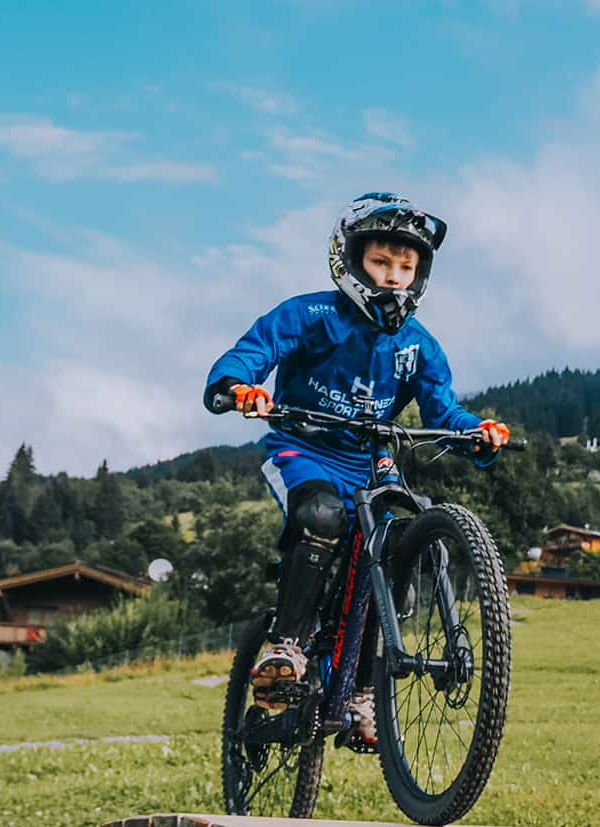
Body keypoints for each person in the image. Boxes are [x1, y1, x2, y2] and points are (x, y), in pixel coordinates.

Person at [203, 192, 509, 742]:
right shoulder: (310, 315)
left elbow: (445, 410)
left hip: (373, 460)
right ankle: (287, 648)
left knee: (395, 548)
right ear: (350, 259)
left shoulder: (420, 346)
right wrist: (238, 387)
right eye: (381, 263)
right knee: (320, 515)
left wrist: (478, 434)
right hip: (302, 448)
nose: (394, 278)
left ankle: (365, 690)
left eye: (406, 267)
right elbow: (251, 353)